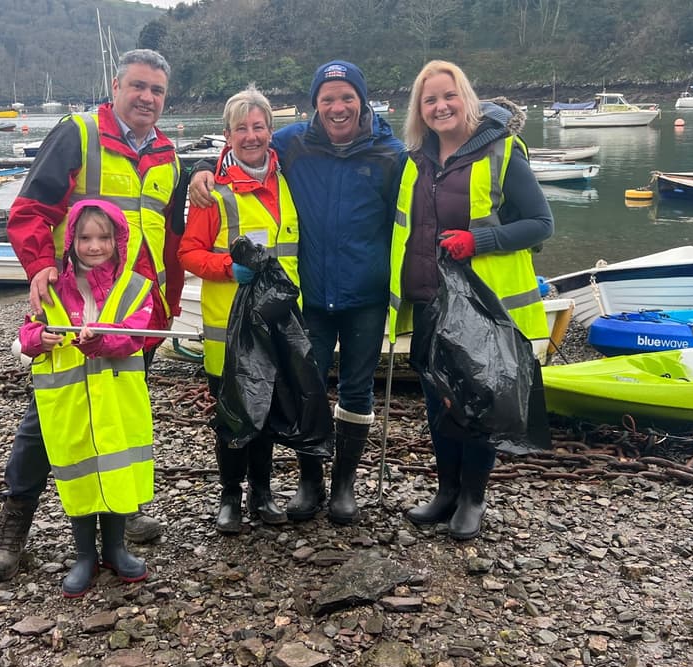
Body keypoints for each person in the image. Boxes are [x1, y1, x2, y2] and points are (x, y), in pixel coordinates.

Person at [0, 48, 183, 582]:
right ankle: (13, 527)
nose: (146, 98)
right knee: (45, 417)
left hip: (137, 312)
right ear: (115, 86)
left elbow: (171, 238)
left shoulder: (170, 157)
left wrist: (170, 303)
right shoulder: (78, 134)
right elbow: (29, 211)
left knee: (121, 413)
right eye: (138, 86)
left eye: (157, 91)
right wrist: (39, 268)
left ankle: (119, 505)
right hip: (71, 306)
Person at [189, 61, 406, 525]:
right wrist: (203, 168)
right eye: (327, 98)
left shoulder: (391, 153)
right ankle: (311, 481)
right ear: (315, 106)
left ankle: (344, 485)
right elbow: (240, 149)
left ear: (362, 100)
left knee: (356, 390)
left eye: (347, 96)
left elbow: (413, 211)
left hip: (366, 294)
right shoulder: (294, 144)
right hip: (309, 300)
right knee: (304, 388)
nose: (337, 106)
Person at [388, 60, 553, 540]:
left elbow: (541, 224)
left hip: (482, 308)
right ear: (420, 110)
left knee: (478, 402)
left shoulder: (502, 152)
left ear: (466, 98)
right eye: (429, 99)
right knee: (438, 402)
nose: (440, 106)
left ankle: (473, 500)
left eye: (448, 96)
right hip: (429, 302)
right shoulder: (414, 159)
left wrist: (478, 242)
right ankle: (445, 492)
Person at [17, 200, 154, 597]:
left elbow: (135, 335)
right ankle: (84, 556)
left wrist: (102, 341)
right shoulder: (52, 286)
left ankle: (115, 549)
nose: (95, 246)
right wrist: (37, 340)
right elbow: (28, 333)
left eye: (104, 238)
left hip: (116, 400)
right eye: (86, 238)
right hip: (70, 403)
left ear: (118, 240)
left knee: (114, 471)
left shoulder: (134, 287)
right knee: (78, 474)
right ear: (71, 240)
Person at [179, 86, 296, 534]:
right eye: (241, 128)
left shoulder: (288, 182)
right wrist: (228, 267)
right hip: (227, 328)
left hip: (275, 323)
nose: (252, 136)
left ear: (271, 131)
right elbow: (189, 253)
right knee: (231, 414)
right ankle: (230, 496)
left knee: (265, 411)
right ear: (226, 136)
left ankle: (262, 493)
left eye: (259, 126)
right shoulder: (214, 193)